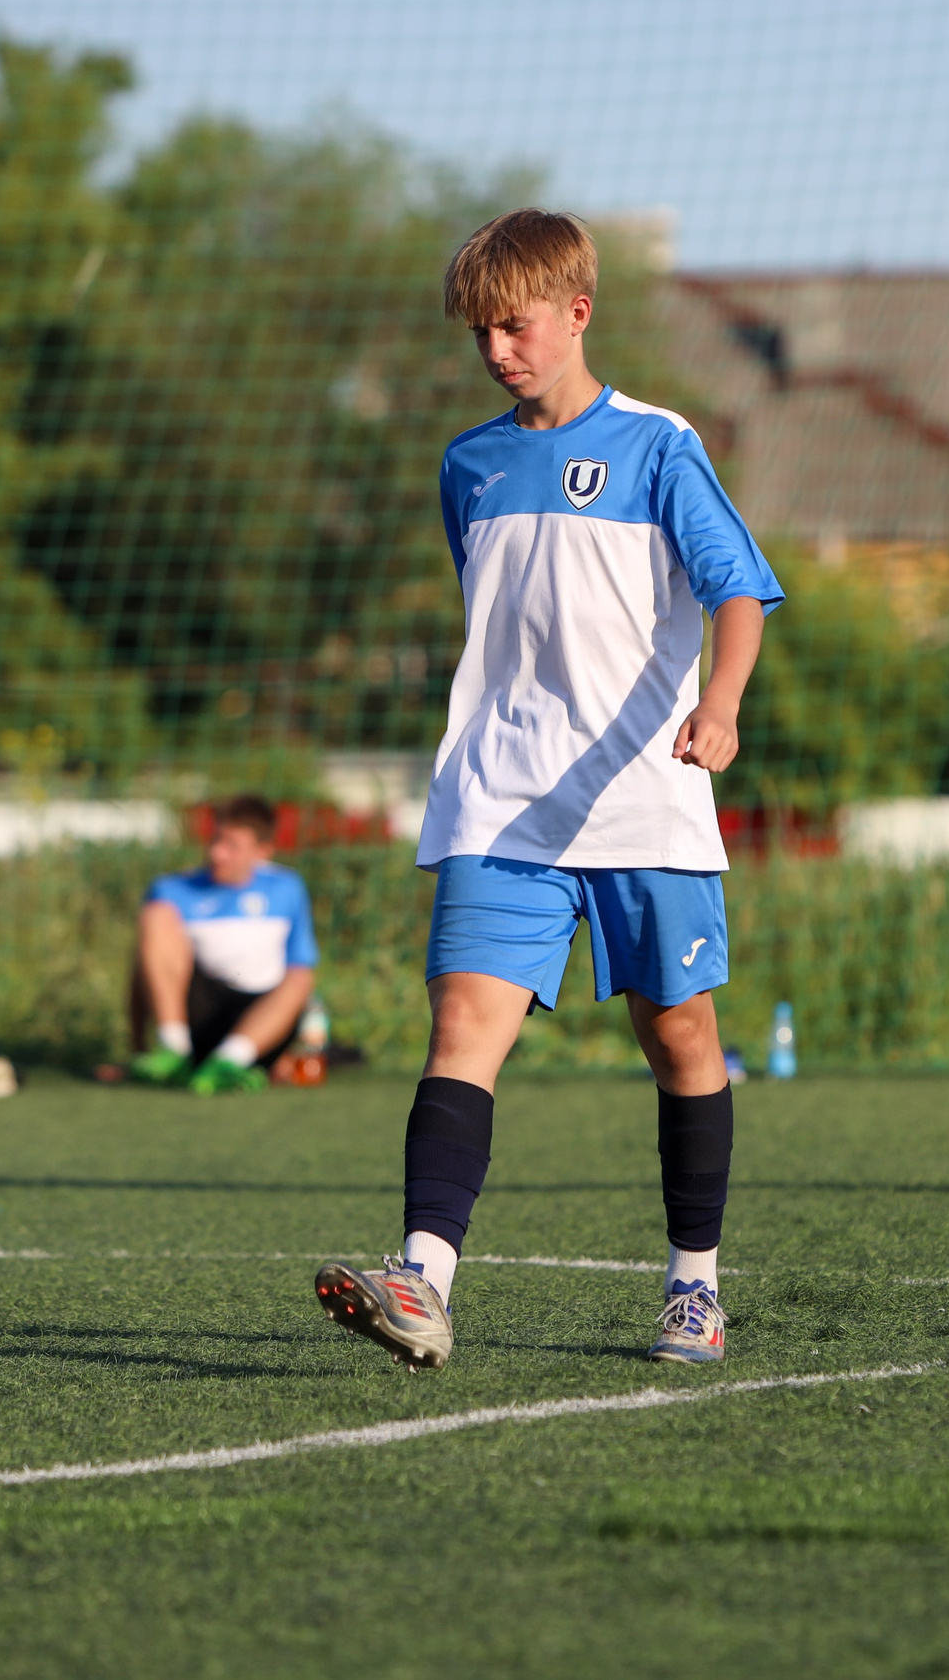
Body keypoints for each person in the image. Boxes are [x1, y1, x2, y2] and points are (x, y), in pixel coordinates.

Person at [313, 209, 783, 1370]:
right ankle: (422, 1278)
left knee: (681, 1038)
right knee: (464, 1025)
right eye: (480, 332)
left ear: (578, 311)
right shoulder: (466, 463)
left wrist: (719, 702)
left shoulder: (661, 445)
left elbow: (737, 591)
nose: (496, 351)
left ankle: (693, 1287)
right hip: (499, 797)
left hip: (645, 797)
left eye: (513, 325)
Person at [127, 794, 319, 1095]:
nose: (217, 853)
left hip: (258, 1027)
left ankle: (231, 1062)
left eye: (232, 846)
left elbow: (302, 977)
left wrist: (300, 1047)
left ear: (263, 851)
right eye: (215, 840)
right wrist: (136, 1049)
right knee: (156, 914)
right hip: (198, 1017)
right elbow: (143, 973)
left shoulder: (287, 887)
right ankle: (173, 1049)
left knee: (301, 976)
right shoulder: (171, 889)